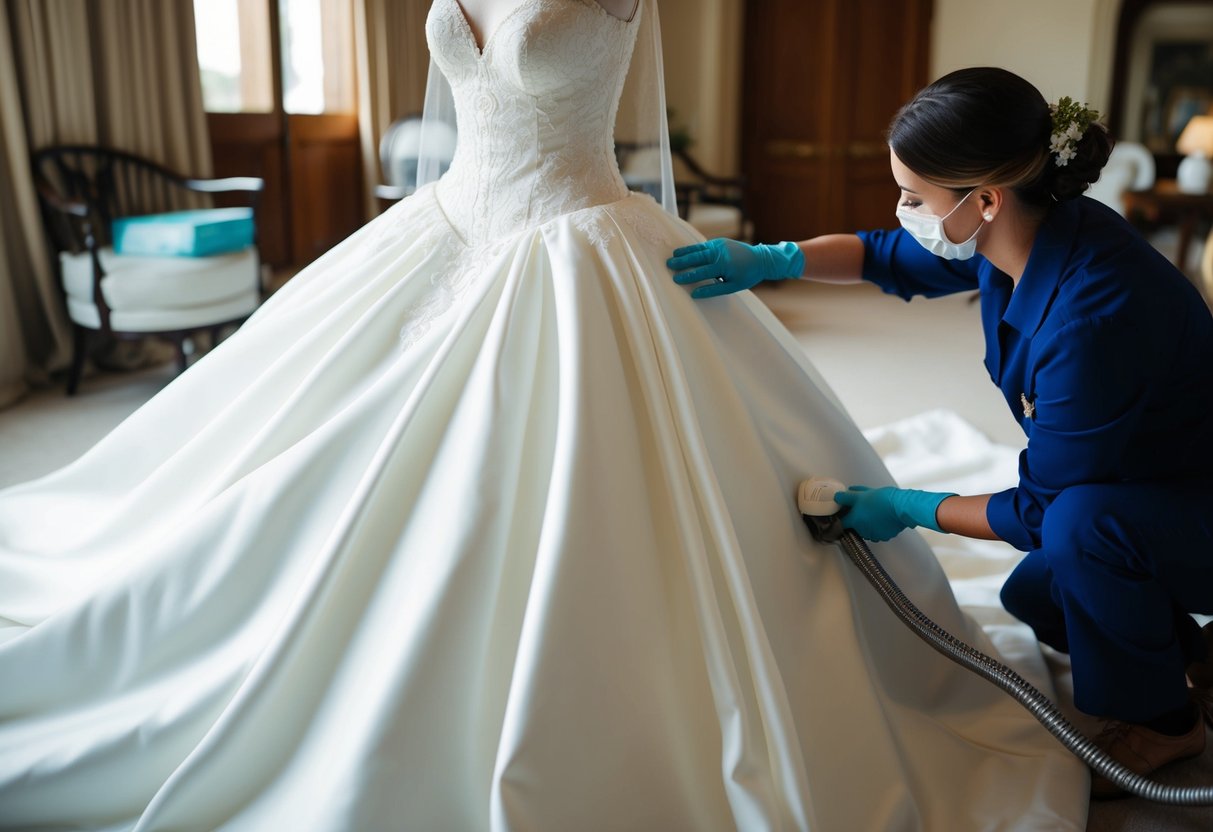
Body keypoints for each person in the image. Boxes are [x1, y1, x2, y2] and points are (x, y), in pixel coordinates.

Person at [0, 10, 1088, 830]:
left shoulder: (1089, 301)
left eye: (922, 196)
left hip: (579, 240)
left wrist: (777, 267)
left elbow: (898, 258)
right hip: (443, 229)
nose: (911, 210)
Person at [669, 66, 1213, 798]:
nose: (902, 211)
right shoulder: (1028, 230)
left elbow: (1039, 510)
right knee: (1037, 599)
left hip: (1190, 499)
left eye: (914, 197)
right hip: (1146, 478)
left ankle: (1170, 725)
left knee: (1076, 532)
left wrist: (907, 508)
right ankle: (1195, 658)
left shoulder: (1091, 316)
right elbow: (883, 255)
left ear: (984, 199)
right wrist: (774, 259)